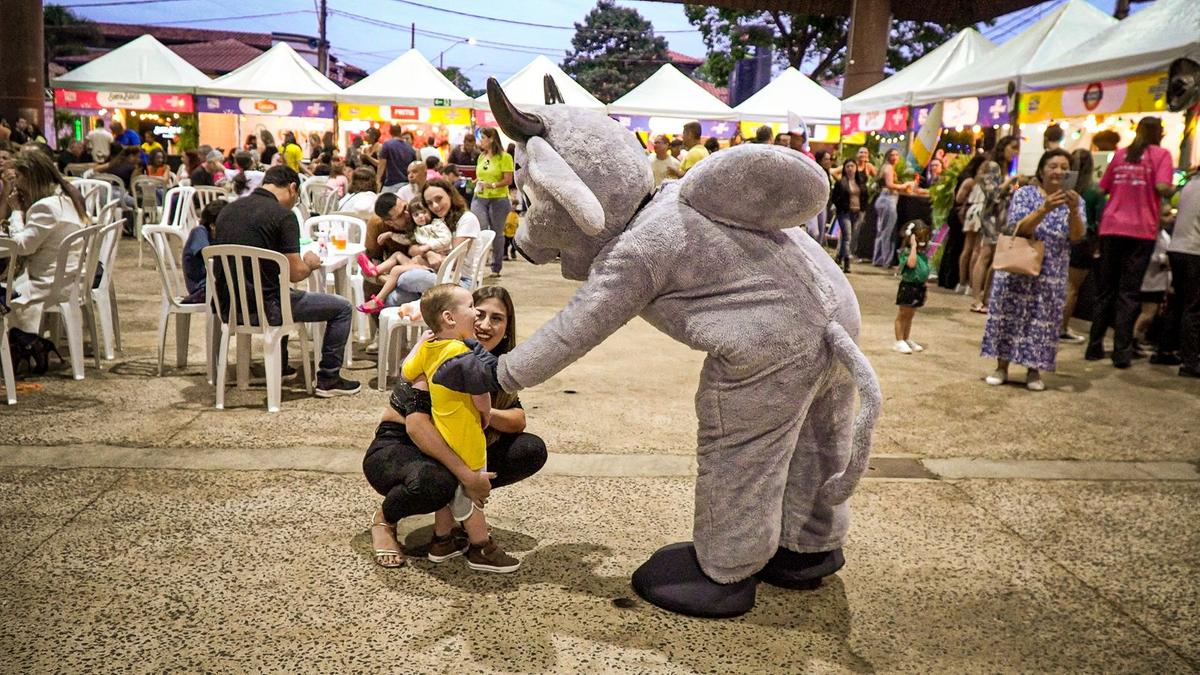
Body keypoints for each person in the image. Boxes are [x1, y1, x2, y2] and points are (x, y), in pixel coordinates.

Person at [363, 285, 547, 569]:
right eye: (477, 312)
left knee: (529, 449)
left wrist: (485, 413)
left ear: (507, 328)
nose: (484, 324)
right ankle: (385, 519)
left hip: (449, 444)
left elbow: (518, 419)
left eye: (496, 318)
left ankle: (445, 536)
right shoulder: (439, 352)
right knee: (439, 481)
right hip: (399, 446)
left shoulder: (483, 361)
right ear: (451, 318)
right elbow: (417, 427)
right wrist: (468, 476)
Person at [394, 284, 520, 572]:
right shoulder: (461, 353)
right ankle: (480, 546)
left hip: (440, 431)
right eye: (471, 307)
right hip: (465, 434)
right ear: (450, 318)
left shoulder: (431, 346)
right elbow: (480, 391)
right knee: (471, 491)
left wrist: (420, 344)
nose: (476, 313)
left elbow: (406, 371)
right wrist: (486, 413)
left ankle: (442, 539)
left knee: (452, 486)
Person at [211, 165, 360, 397]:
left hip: (228, 306)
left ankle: (281, 366)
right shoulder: (283, 215)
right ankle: (329, 379)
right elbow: (296, 273)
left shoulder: (229, 210)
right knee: (342, 307)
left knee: (279, 290)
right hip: (268, 308)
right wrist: (310, 262)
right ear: (292, 188)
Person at [981, 149, 1085, 391]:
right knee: (1009, 316)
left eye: (1064, 167)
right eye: (1053, 166)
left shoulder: (1076, 201)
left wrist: (1073, 211)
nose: (1059, 171)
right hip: (1019, 264)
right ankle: (1001, 367)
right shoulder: (1025, 194)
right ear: (1042, 170)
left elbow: (1077, 235)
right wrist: (1044, 209)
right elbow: (1019, 228)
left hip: (1052, 270)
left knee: (1043, 320)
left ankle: (1033, 370)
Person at [1086, 117, 1175, 369]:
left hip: (1111, 227)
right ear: (1160, 133)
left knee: (1105, 290)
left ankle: (1094, 347)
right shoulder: (1162, 155)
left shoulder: (1121, 154)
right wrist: (1175, 186)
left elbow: (1101, 189)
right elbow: (1161, 186)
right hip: (1140, 231)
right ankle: (1121, 352)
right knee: (1129, 293)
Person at [0, 148, 91, 346]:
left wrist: (16, 212)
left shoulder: (46, 207)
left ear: (29, 177)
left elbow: (23, 247)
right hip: (68, 277)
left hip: (49, 284)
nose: (17, 185)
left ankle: (18, 348)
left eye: (18, 177)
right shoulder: (64, 199)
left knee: (4, 294)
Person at [357, 198, 453, 313]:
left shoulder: (431, 223)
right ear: (389, 222)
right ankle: (374, 272)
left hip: (429, 270)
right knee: (396, 273)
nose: (408, 214)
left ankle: (378, 301)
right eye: (400, 215)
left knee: (399, 273)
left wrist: (428, 250)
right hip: (402, 273)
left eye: (405, 207)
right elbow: (407, 241)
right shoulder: (377, 225)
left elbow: (445, 240)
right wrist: (391, 235)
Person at [1060, 149, 1105, 342]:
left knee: (1060, 285)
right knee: (1072, 288)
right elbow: (1100, 218)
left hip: (1061, 238)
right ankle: (1061, 328)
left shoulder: (1062, 187)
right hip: (1082, 241)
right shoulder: (1093, 190)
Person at [1160, 171, 1200, 377]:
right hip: (1195, 251)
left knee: (1177, 303)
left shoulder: (1189, 185)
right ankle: (1191, 362)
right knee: (1194, 307)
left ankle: (1165, 349)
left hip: (1178, 248)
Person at [471, 127, 513, 277]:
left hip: (498, 199)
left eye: (482, 137)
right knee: (481, 230)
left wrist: (493, 185)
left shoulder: (505, 157)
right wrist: (474, 182)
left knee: (496, 233)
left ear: (491, 139)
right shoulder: (481, 157)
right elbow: (481, 175)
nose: (480, 141)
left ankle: (496, 266)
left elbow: (508, 179)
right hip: (480, 198)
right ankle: (479, 264)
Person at [966, 158, 1006, 313]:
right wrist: (1010, 183)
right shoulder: (992, 168)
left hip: (999, 219)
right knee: (984, 255)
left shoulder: (1000, 169)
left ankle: (985, 297)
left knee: (992, 258)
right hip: (990, 219)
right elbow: (994, 195)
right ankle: (976, 298)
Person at [893, 221, 932, 354]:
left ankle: (906, 338)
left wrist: (925, 289)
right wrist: (913, 247)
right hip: (908, 287)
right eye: (919, 238)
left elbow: (925, 272)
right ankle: (899, 341)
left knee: (910, 315)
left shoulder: (923, 256)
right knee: (903, 314)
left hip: (919, 288)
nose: (923, 241)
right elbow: (911, 263)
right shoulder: (907, 253)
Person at [871, 148, 913, 267]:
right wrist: (904, 185)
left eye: (897, 155)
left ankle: (878, 258)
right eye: (892, 155)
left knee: (881, 230)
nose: (895, 157)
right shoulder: (888, 168)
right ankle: (886, 260)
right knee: (887, 232)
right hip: (888, 200)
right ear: (888, 156)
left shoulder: (885, 167)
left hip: (883, 200)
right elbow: (889, 185)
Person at [1133, 224, 1171, 352]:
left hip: (1160, 281)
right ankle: (1132, 340)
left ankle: (1138, 339)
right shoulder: (1150, 234)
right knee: (1147, 314)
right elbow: (1150, 257)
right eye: (1165, 215)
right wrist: (1165, 259)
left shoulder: (1164, 234)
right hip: (1150, 281)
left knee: (1152, 314)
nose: (1170, 218)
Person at [181, 200, 225, 304]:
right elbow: (208, 256)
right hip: (201, 287)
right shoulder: (199, 232)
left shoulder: (214, 236)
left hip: (212, 283)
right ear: (212, 225)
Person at [831, 158, 866, 273]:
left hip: (857, 213)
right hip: (844, 212)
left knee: (850, 237)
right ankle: (847, 261)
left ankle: (839, 257)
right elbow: (835, 198)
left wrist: (863, 210)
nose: (850, 169)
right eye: (848, 166)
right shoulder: (841, 183)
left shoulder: (860, 182)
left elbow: (864, 196)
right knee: (847, 236)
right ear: (845, 169)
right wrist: (841, 207)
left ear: (856, 168)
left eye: (852, 166)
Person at [378, 124, 416, 194]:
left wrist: (377, 180)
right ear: (400, 132)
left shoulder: (387, 145)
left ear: (390, 132)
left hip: (391, 184)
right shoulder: (410, 148)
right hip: (407, 184)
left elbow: (382, 164)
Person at [504, 186, 520, 260]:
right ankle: (505, 255)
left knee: (514, 244)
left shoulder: (516, 215)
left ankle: (512, 253)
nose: (514, 207)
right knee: (505, 244)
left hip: (513, 232)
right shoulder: (507, 213)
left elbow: (517, 223)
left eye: (515, 206)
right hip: (506, 231)